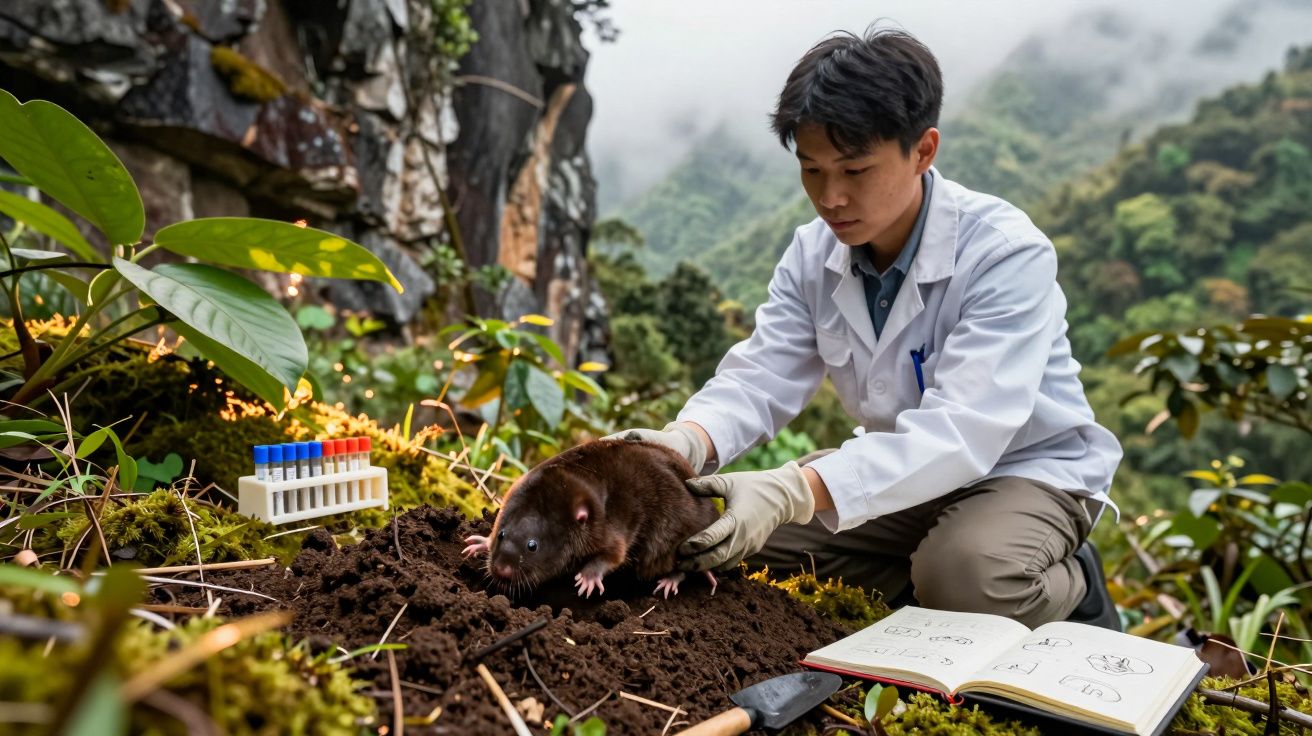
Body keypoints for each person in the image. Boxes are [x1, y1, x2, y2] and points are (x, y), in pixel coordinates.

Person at [606, 26, 1124, 630]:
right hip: (903, 471)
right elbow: (761, 376)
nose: (831, 198)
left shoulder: (1005, 254)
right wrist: (683, 445)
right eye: (812, 170)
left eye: (855, 170)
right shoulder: (811, 254)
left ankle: (1072, 581)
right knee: (705, 528)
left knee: (968, 575)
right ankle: (926, 576)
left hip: (1025, 470)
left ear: (923, 151)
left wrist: (793, 491)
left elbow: (965, 430)